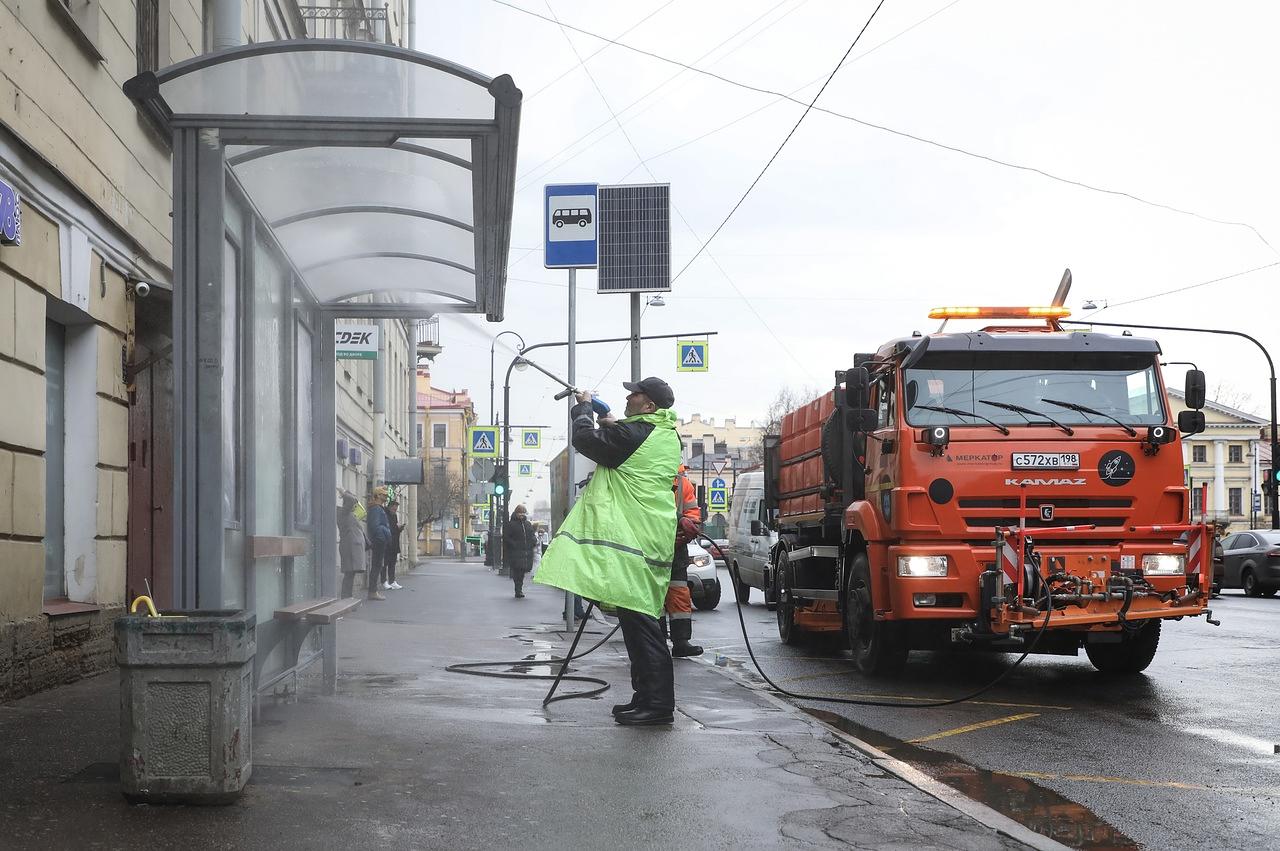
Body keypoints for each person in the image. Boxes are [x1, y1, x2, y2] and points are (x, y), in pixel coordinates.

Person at [535, 377, 682, 726]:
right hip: (646, 538)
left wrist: (583, 409)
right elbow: (630, 444)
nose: (629, 396)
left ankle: (658, 705)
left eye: (636, 394)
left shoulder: (634, 436)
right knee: (636, 624)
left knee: (644, 626)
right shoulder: (662, 434)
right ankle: (645, 697)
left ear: (650, 406)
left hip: (635, 542)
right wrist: (614, 423)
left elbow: (585, 440)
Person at [667, 466, 704, 657]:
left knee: (679, 596)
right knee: (652, 599)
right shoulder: (647, 477)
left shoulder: (682, 484)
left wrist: (684, 536)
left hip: (676, 552)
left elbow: (694, 516)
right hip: (650, 549)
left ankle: (681, 642)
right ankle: (655, 642)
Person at [504, 504, 538, 598]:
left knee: (522, 572)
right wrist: (514, 545)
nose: (521, 515)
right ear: (516, 513)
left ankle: (519, 589)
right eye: (520, 513)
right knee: (517, 571)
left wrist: (534, 541)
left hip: (526, 552)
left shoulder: (527, 524)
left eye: (523, 513)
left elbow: (531, 535)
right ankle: (518, 590)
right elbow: (507, 537)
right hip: (516, 552)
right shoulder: (511, 524)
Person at [365, 486, 391, 601]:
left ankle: (373, 591)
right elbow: (375, 527)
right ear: (378, 495)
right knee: (376, 566)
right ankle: (372, 591)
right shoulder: (376, 508)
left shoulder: (378, 508)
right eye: (384, 494)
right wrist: (385, 535)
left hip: (379, 540)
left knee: (377, 566)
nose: (386, 496)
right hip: (379, 541)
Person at [338, 491, 366, 598]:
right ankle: (346, 597)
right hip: (349, 547)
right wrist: (344, 493)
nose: (355, 504)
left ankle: (348, 597)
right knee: (349, 574)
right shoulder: (343, 513)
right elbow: (352, 500)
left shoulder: (349, 514)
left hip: (352, 547)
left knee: (350, 574)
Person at [384, 499, 404, 590]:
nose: (395, 511)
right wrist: (396, 529)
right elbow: (387, 529)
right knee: (385, 563)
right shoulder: (385, 515)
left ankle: (392, 581)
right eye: (394, 509)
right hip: (387, 543)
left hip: (394, 543)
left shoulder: (394, 516)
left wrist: (399, 528)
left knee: (392, 563)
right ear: (390, 507)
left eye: (396, 509)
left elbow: (394, 528)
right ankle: (384, 581)